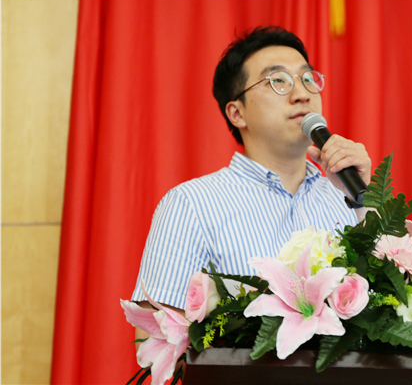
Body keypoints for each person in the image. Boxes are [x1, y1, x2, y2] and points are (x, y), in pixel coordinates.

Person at [130, 26, 372, 334]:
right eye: (278, 81)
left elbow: (396, 303)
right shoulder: (192, 204)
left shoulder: (349, 197)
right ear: (237, 113)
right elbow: (156, 335)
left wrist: (366, 200)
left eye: (307, 79)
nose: (302, 94)